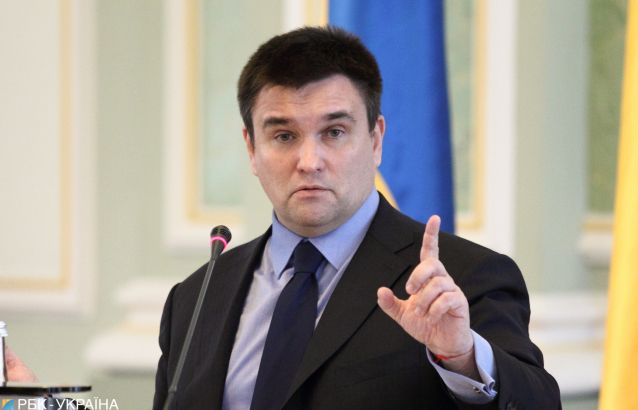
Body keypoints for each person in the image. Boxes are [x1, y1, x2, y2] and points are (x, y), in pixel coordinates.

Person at [153, 26, 560, 410]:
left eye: (334, 132)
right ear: (251, 149)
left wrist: (462, 357)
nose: (309, 161)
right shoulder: (195, 299)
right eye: (283, 136)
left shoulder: (461, 281)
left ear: (376, 139)